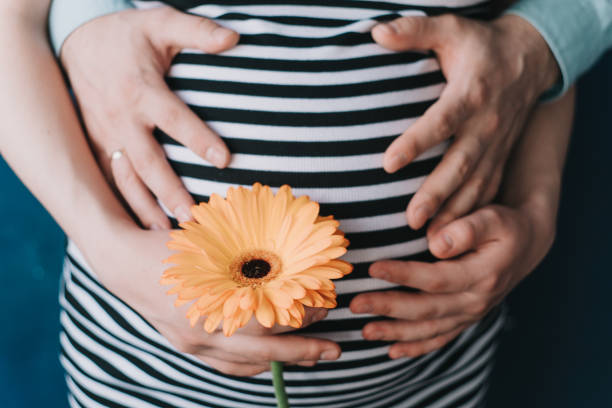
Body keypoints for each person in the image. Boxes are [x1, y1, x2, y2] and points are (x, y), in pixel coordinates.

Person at [0, 1, 601, 408]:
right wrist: (108, 245)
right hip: (145, 369)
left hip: (430, 372)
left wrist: (536, 206)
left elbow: (529, 36)